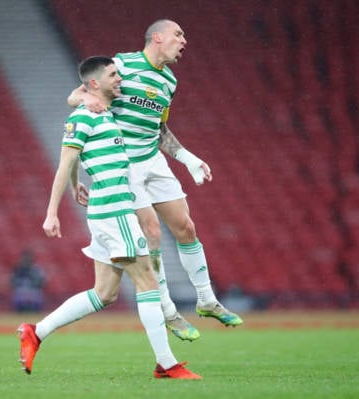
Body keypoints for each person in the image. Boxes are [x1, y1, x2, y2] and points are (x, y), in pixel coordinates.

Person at [18, 56, 201, 379]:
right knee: (147, 282)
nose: (120, 79)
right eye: (114, 75)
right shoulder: (86, 116)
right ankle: (166, 363)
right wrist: (51, 213)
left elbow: (74, 158)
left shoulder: (103, 114)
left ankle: (36, 332)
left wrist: (77, 186)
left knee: (104, 293)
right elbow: (64, 161)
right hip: (115, 212)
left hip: (107, 212)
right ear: (93, 84)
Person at [68, 19, 243, 342]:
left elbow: (158, 129)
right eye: (179, 34)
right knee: (151, 232)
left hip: (152, 159)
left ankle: (206, 300)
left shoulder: (169, 82)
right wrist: (82, 100)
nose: (184, 40)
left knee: (186, 227)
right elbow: (76, 94)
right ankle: (168, 311)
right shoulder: (123, 64)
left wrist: (188, 158)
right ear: (157, 37)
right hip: (125, 163)